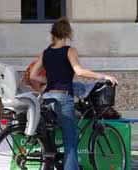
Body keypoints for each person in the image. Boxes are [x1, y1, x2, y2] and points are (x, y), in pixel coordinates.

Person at [30, 18, 118, 170]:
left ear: (53, 34)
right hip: (63, 98)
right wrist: (103, 76)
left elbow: (33, 75)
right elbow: (79, 71)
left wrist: (51, 78)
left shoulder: (45, 53)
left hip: (47, 98)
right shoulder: (70, 51)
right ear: (67, 34)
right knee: (70, 140)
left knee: (54, 135)